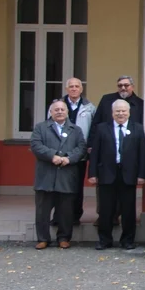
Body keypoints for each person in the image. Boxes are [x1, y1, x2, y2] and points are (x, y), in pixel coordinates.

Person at [88, 99, 145, 250]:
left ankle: (127, 240)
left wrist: (142, 175)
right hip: (107, 173)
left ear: (129, 112)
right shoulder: (102, 128)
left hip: (129, 175)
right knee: (106, 209)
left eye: (123, 111)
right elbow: (95, 153)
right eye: (117, 111)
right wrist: (92, 173)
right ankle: (104, 240)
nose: (121, 114)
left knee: (128, 210)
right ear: (112, 113)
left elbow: (143, 153)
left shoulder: (138, 129)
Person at [31, 100, 87, 249]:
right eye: (56, 109)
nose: (60, 111)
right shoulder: (40, 128)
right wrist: (53, 156)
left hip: (67, 176)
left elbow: (81, 148)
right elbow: (36, 146)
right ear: (51, 112)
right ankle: (43, 238)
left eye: (63, 109)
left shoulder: (76, 130)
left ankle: (64, 238)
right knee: (42, 211)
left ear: (67, 112)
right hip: (45, 176)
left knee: (66, 211)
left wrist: (68, 158)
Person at [49, 78, 96, 226]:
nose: (74, 89)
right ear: (66, 89)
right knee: (58, 186)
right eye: (71, 86)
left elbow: (93, 130)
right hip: (60, 152)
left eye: (77, 86)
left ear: (81, 89)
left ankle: (75, 216)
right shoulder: (57, 106)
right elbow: (48, 127)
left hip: (79, 153)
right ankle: (58, 216)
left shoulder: (89, 107)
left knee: (76, 186)